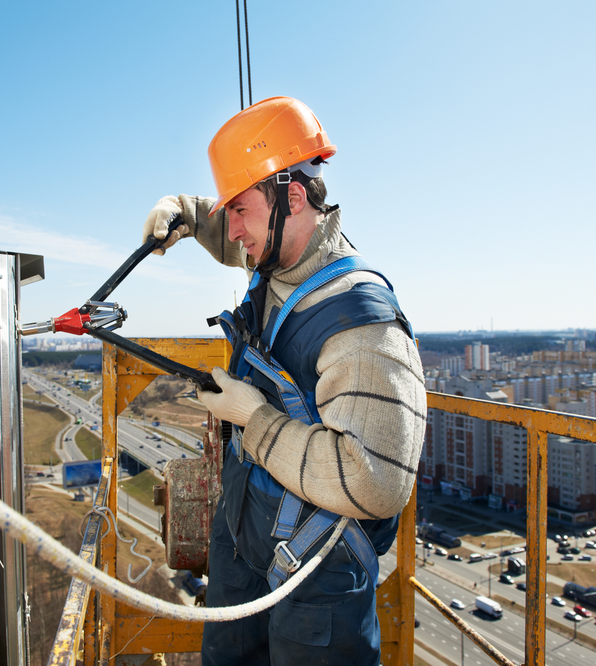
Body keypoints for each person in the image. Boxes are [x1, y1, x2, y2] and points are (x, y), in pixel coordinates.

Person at [142, 96, 426, 666]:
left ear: (293, 197)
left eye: (241, 209)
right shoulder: (275, 258)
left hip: (317, 574)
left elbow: (377, 484)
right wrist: (185, 211)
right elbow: (232, 233)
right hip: (246, 531)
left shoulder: (361, 322)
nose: (235, 228)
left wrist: (255, 420)